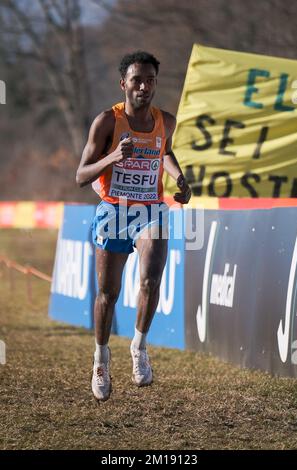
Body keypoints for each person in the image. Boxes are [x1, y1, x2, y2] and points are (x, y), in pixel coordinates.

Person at [76, 51, 191, 402]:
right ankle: (101, 359)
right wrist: (112, 157)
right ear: (123, 83)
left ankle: (139, 348)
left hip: (151, 210)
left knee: (150, 278)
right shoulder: (107, 122)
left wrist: (179, 177)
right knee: (108, 295)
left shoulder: (165, 121)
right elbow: (81, 175)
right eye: (137, 80)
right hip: (113, 211)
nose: (144, 86)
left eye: (150, 80)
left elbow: (164, 152)